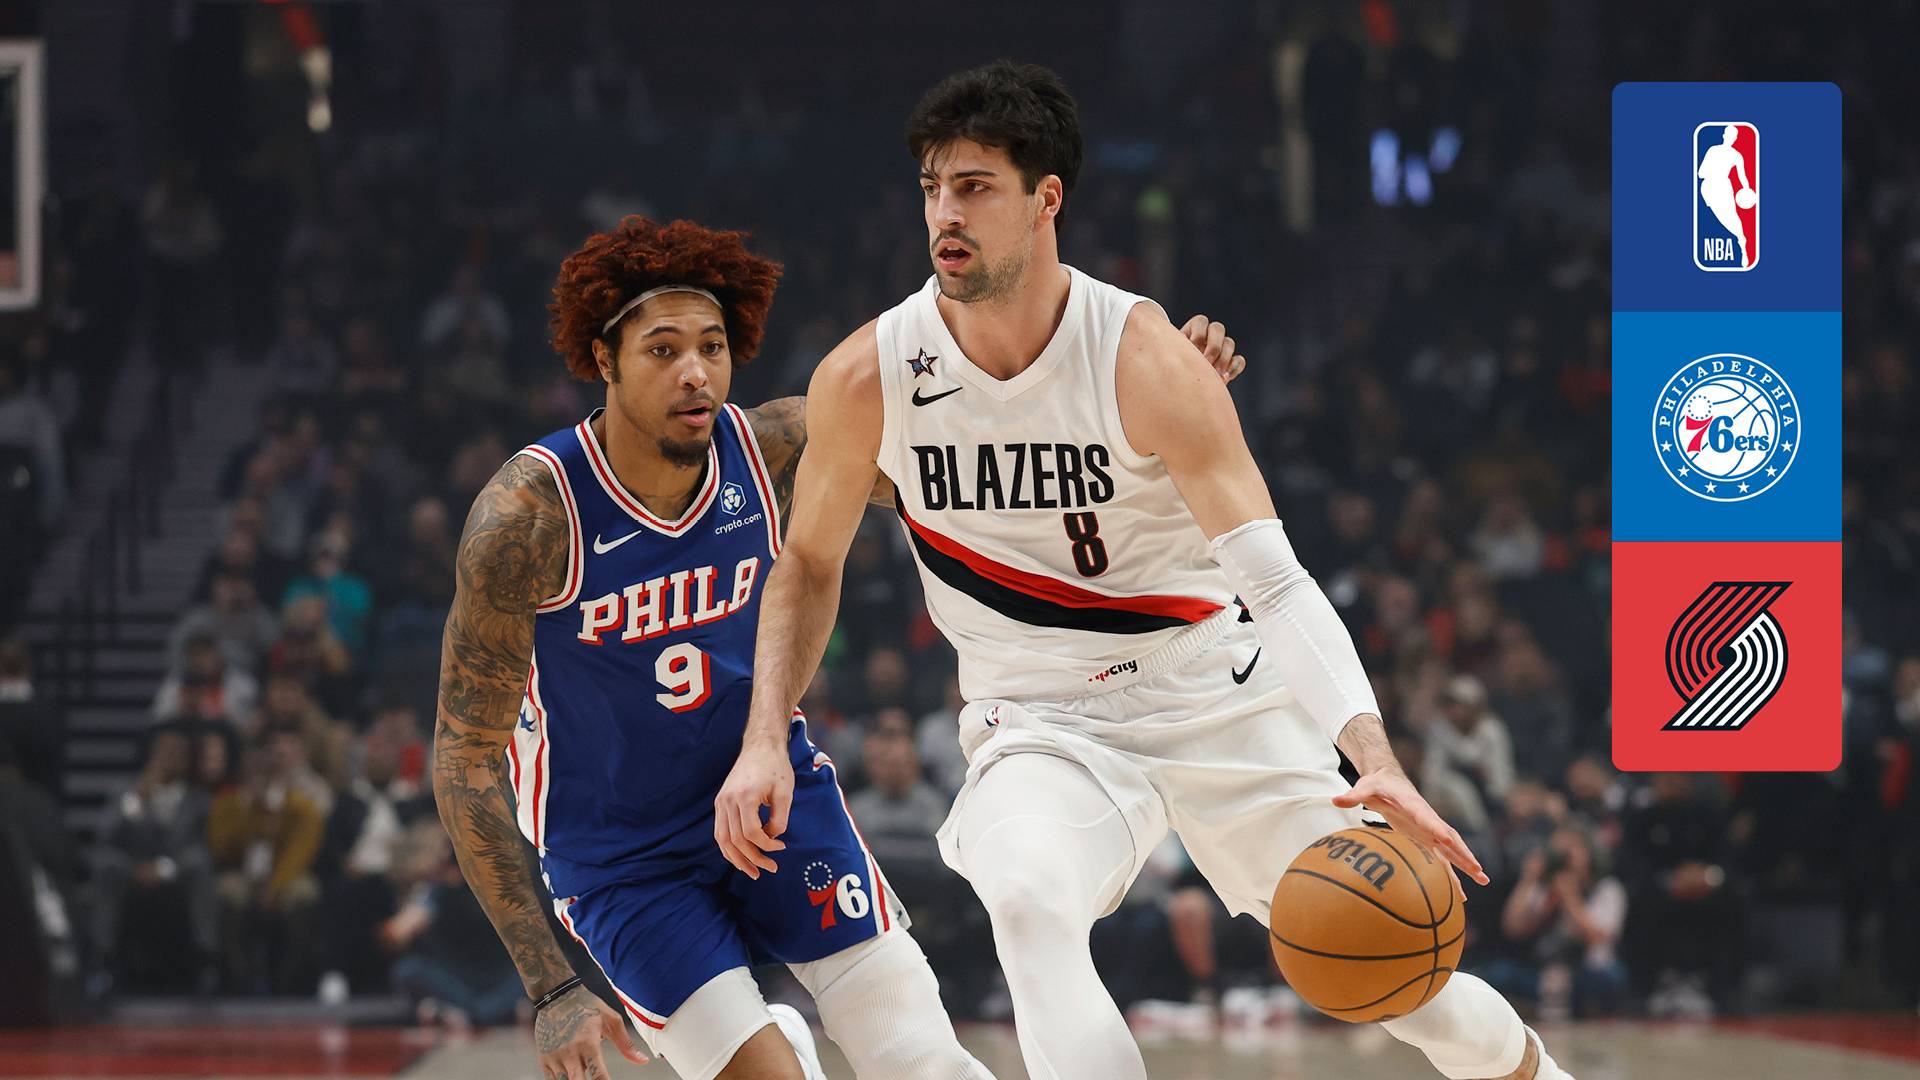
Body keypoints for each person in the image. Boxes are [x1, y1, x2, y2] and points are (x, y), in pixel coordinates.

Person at [723, 60, 1572, 1080]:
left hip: (1212, 692)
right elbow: (809, 564)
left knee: (1398, 972)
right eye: (932, 187)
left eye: (976, 186)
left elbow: (1276, 582)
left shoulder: (1147, 360)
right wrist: (764, 736)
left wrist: (1375, 761)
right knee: (1028, 902)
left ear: (1047, 198)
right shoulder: (869, 374)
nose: (945, 212)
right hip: (1039, 719)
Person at [438, 215, 1241, 1080]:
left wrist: (1148, 395)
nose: (695, 372)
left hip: (770, 794)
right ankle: (779, 1041)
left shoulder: (776, 447)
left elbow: (986, 469)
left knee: (920, 1058)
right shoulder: (531, 517)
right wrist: (552, 988)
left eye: (712, 347)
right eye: (662, 351)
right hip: (621, 860)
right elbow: (465, 757)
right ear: (605, 359)